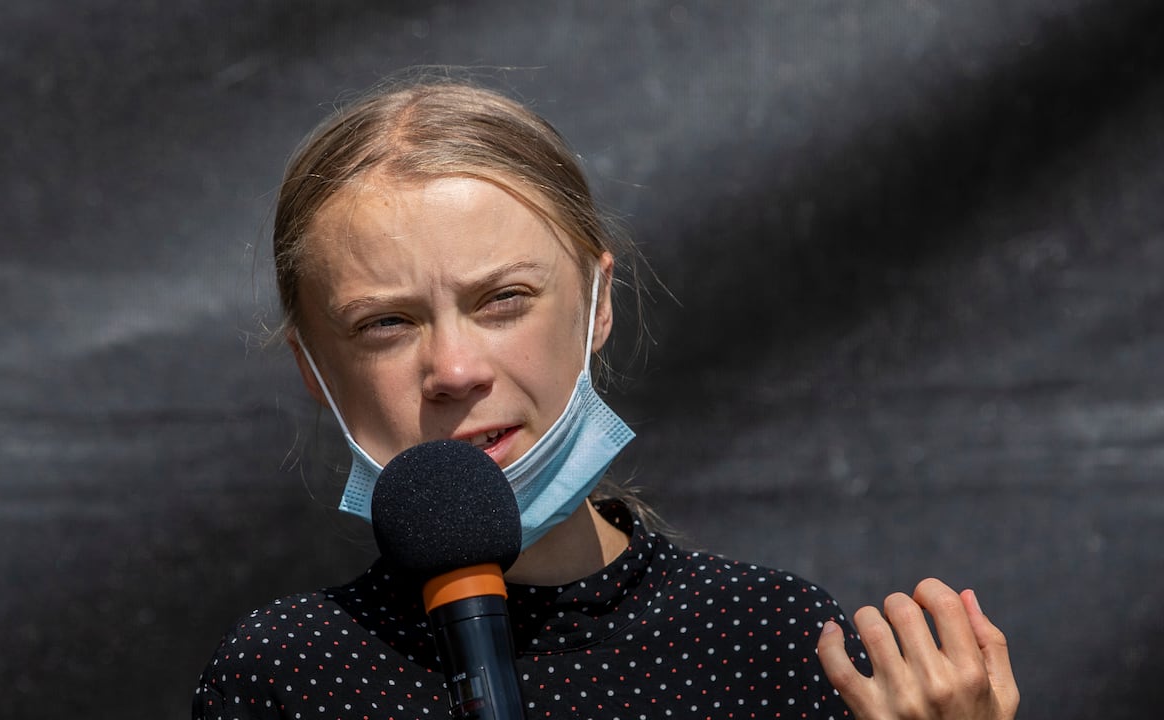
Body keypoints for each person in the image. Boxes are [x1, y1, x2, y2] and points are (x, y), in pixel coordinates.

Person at [193, 77, 1019, 720]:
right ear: (313, 367)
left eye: (503, 299)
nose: (452, 369)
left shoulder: (767, 640)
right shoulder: (289, 675)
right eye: (386, 323)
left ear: (598, 304)